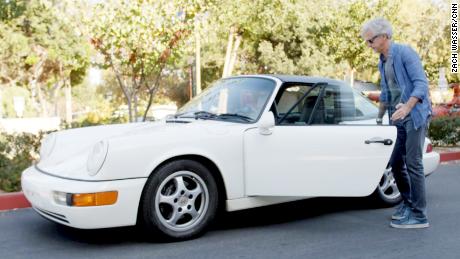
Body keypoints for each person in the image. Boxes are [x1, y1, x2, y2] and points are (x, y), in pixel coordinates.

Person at [361, 18, 432, 229]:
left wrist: (407, 107)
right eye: (366, 41)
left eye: (371, 40)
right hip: (398, 117)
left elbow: (421, 84)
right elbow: (386, 91)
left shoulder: (405, 53)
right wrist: (378, 117)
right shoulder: (382, 61)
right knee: (396, 162)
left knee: (413, 163)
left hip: (415, 114)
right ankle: (409, 205)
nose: (369, 45)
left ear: (384, 36)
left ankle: (420, 215)